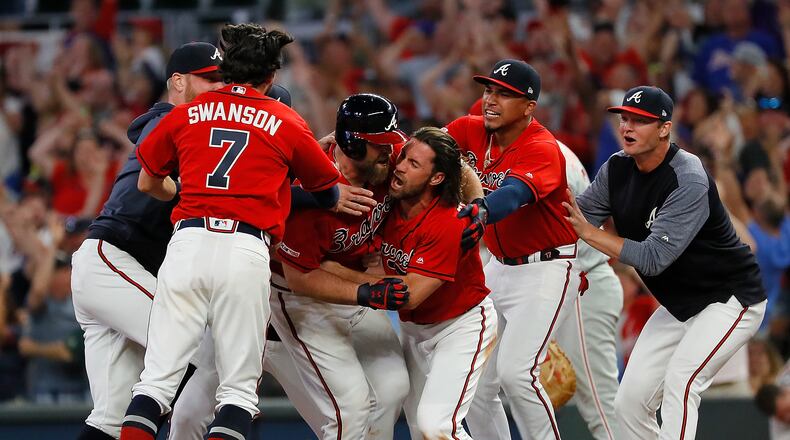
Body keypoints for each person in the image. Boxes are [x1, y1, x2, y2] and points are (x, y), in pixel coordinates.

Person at [118, 24, 344, 440]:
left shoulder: (186, 112)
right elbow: (328, 194)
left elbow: (148, 182)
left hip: (187, 243)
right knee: (237, 394)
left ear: (226, 69)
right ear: (271, 76)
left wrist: (181, 190)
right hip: (245, 249)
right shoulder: (286, 119)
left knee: (154, 386)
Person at [564, 85, 767, 440]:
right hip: (679, 305)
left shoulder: (688, 176)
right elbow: (572, 220)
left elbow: (653, 258)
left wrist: (590, 234)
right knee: (629, 402)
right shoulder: (617, 168)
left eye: (639, 120)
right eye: (624, 118)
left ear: (664, 128)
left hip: (729, 298)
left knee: (682, 382)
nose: (627, 127)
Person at [70, 42, 224, 440]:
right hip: (113, 259)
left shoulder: (192, 125)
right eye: (208, 79)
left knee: (111, 419)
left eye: (221, 80)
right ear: (178, 82)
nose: (217, 87)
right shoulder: (175, 120)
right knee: (196, 346)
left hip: (118, 273)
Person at [327, 127, 497, 439]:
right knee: (420, 430)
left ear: (436, 178)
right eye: (403, 157)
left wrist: (336, 271)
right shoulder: (398, 187)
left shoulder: (449, 222)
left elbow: (408, 295)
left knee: (436, 426)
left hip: (460, 326)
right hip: (413, 328)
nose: (400, 165)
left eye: (413, 164)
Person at [446, 59, 583, 440]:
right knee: (475, 384)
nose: (491, 99)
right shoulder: (468, 129)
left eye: (505, 94)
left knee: (516, 373)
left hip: (546, 267)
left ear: (528, 106)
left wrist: (479, 209)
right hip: (499, 266)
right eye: (489, 90)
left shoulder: (542, 146)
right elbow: (420, 149)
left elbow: (514, 194)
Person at [270, 93, 411, 440]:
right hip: (301, 299)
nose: (389, 151)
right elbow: (300, 278)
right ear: (353, 144)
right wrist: (366, 288)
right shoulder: (311, 190)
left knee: (393, 388)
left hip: (352, 289)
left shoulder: (390, 161)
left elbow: (442, 161)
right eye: (379, 144)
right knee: (350, 408)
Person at [552, 141, 623, 440]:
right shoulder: (545, 148)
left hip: (583, 286)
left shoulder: (547, 155)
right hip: (568, 285)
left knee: (601, 407)